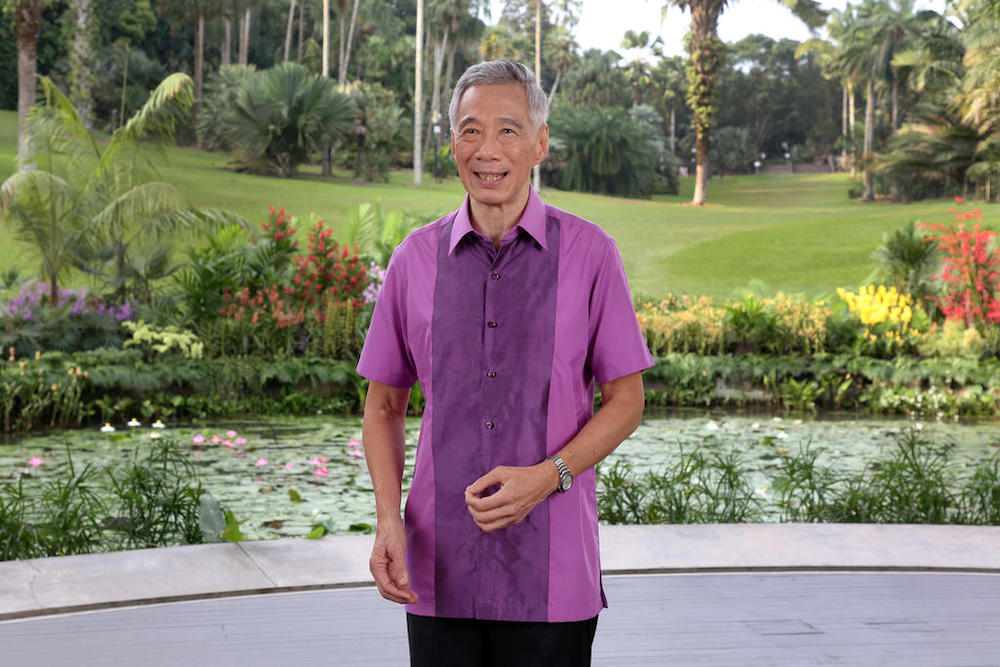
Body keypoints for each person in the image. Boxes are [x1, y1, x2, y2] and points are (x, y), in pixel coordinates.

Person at [357, 59, 654, 667]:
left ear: (540, 143)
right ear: (452, 144)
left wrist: (549, 476)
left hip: (554, 578)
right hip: (436, 570)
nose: (487, 149)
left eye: (508, 130)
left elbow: (627, 401)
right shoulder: (413, 261)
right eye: (470, 130)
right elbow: (384, 405)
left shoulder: (592, 255)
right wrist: (389, 520)